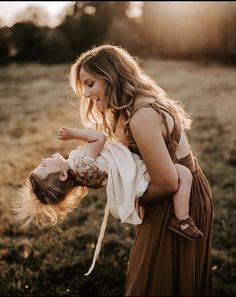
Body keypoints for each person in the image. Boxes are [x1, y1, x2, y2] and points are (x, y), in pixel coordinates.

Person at [69, 44, 214, 295]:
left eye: (90, 84)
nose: (87, 94)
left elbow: (168, 182)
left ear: (110, 76)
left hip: (177, 201)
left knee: (157, 282)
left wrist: (131, 198)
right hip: (176, 192)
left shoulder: (141, 116)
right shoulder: (132, 107)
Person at [14, 125, 201, 275]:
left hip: (134, 181)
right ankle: (182, 218)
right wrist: (73, 133)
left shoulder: (81, 176)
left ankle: (181, 218)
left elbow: (95, 152)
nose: (44, 158)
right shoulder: (80, 162)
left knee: (181, 176)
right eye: (44, 165)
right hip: (138, 172)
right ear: (62, 175)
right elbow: (99, 138)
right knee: (184, 174)